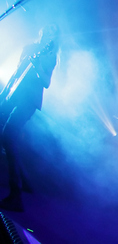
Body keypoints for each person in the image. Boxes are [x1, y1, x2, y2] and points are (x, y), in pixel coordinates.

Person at [0, 24, 59, 212]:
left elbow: (46, 83)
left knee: (8, 136)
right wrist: (3, 94)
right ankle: (24, 182)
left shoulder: (50, 56)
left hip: (29, 100)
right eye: (47, 29)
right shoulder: (29, 48)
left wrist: (37, 65)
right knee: (8, 138)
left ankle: (16, 195)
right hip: (14, 94)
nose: (48, 33)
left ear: (54, 38)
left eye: (52, 32)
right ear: (41, 31)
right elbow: (16, 72)